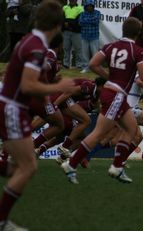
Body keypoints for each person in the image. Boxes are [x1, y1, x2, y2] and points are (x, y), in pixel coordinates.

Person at [0, 1, 74, 230]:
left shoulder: (30, 41)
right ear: (58, 25)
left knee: (19, 168)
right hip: (13, 109)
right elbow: (29, 85)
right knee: (28, 167)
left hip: (13, 108)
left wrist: (48, 87)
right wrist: (60, 87)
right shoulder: (36, 47)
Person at [61, 17, 143, 184]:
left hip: (115, 94)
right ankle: (71, 164)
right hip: (116, 96)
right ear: (138, 33)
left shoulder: (110, 46)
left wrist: (110, 77)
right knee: (99, 133)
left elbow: (93, 64)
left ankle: (117, 167)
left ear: (123, 30)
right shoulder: (137, 51)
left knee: (132, 130)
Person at [79, 0, 101, 74]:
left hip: (94, 36)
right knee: (85, 54)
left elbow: (96, 21)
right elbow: (80, 22)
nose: (89, 7)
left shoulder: (97, 13)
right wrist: (91, 20)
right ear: (85, 6)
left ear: (93, 6)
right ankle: (85, 68)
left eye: (91, 6)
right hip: (84, 36)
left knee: (95, 54)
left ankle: (96, 68)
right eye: (88, 6)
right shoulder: (82, 13)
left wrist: (86, 21)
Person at [62, 0, 84, 69]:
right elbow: (62, 18)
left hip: (76, 32)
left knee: (78, 49)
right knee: (66, 48)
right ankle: (66, 64)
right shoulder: (64, 7)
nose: (72, 0)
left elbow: (79, 21)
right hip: (66, 32)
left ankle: (79, 64)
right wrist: (67, 23)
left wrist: (68, 23)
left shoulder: (81, 8)